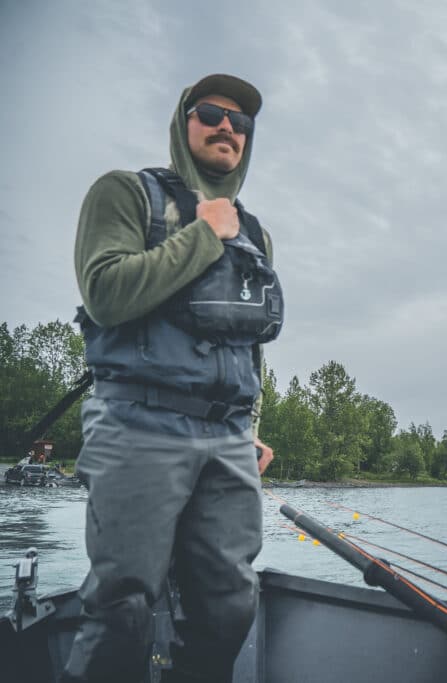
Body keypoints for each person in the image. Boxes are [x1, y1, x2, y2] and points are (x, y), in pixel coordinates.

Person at [62, 74, 282, 682]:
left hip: (229, 441)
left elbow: (249, 342)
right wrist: (205, 233)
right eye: (211, 113)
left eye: (241, 123)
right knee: (123, 608)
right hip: (137, 424)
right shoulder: (124, 193)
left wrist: (251, 428)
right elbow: (105, 293)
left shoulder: (258, 234)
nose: (227, 128)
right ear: (183, 122)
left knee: (230, 607)